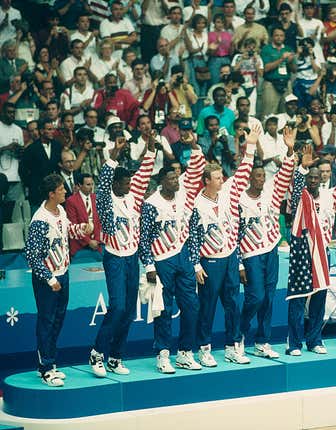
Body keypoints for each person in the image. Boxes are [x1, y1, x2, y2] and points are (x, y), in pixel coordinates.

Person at [189, 125, 261, 367]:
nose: (223, 180)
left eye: (222, 177)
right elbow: (192, 236)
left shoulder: (229, 192)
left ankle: (232, 346)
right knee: (207, 308)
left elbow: (243, 172)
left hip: (230, 258)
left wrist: (250, 145)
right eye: (218, 178)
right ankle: (204, 348)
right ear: (207, 180)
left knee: (233, 305)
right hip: (209, 262)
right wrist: (196, 265)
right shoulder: (197, 204)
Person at [88, 134, 155, 377]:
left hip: (132, 257)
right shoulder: (105, 201)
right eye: (124, 184)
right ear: (116, 184)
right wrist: (114, 154)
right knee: (116, 306)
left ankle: (116, 357)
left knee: (127, 309)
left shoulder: (134, 197)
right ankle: (97, 353)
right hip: (114, 256)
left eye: (130, 184)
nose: (129, 187)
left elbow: (145, 173)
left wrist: (150, 151)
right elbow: (103, 180)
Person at [139, 136, 206, 374]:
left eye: (177, 177)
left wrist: (194, 146)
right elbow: (143, 237)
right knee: (163, 309)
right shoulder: (151, 203)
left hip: (184, 256)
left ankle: (185, 353)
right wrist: (148, 266)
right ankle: (163, 354)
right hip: (162, 261)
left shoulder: (183, 193)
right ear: (161, 182)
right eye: (171, 178)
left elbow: (198, 168)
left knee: (192, 306)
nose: (176, 180)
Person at [286, 142, 336, 356]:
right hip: (301, 253)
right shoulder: (299, 197)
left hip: (322, 253)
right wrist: (301, 168)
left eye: (317, 178)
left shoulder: (330, 196)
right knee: (298, 299)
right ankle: (294, 344)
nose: (314, 181)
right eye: (310, 177)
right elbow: (296, 184)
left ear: (322, 179)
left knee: (319, 298)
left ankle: (315, 340)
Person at [25, 173, 92, 386]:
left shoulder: (61, 210)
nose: (66, 192)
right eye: (62, 189)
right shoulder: (40, 221)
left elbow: (68, 231)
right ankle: (45, 367)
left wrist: (82, 228)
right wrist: (49, 278)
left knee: (58, 319)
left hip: (63, 273)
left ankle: (49, 362)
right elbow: (32, 257)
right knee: (46, 320)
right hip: (48, 280)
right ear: (51, 194)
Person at [238, 128, 295, 359]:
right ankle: (239, 334)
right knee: (256, 297)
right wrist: (240, 261)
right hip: (251, 254)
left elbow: (286, 171)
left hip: (270, 249)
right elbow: (234, 232)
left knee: (269, 298)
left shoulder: (273, 190)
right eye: (257, 176)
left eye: (263, 176)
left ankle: (262, 341)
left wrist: (290, 149)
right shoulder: (239, 198)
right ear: (250, 178)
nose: (262, 179)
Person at [65, 173, 101, 257]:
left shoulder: (96, 198)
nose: (91, 187)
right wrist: (88, 241)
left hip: (97, 245)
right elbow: (73, 225)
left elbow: (99, 222)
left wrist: (97, 240)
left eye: (92, 184)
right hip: (79, 246)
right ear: (79, 185)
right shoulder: (71, 201)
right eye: (88, 184)